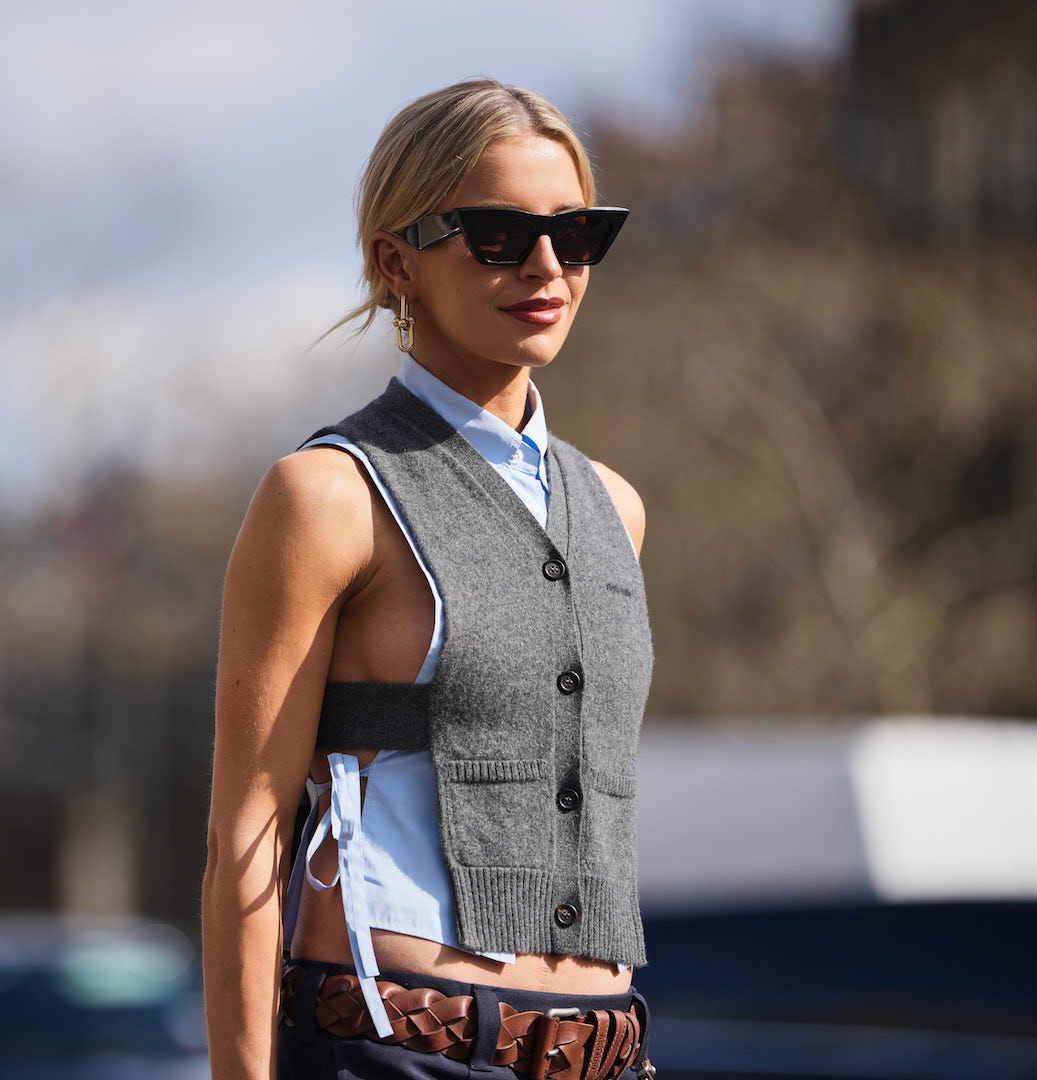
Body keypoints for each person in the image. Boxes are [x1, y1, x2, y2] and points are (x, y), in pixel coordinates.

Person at [202, 78, 655, 1080]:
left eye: (576, 233)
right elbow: (248, 832)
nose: (546, 266)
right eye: (498, 234)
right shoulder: (327, 495)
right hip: (395, 1050)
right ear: (393, 261)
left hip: (609, 1053)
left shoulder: (616, 508)